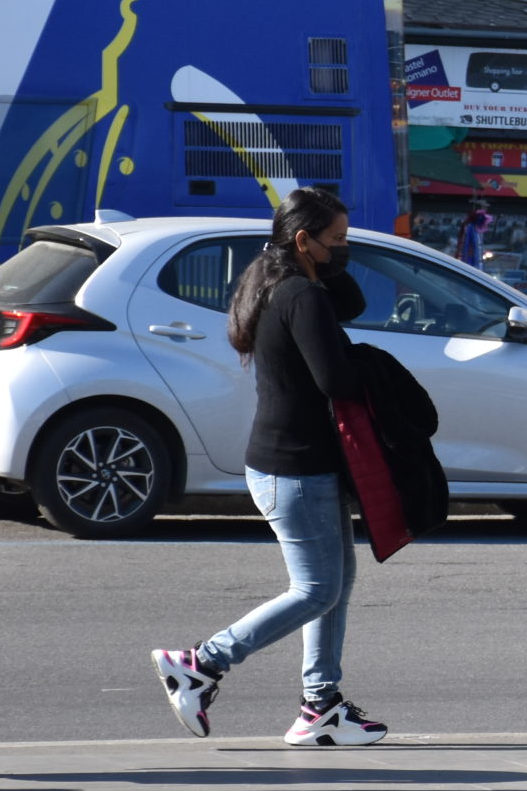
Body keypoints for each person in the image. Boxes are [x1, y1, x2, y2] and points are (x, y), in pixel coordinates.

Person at [149, 188, 389, 746]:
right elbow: (336, 379)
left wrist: (329, 260)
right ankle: (201, 662)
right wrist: (377, 373)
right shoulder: (299, 294)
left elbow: (350, 306)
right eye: (336, 241)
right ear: (303, 241)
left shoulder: (287, 284)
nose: (344, 250)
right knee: (315, 590)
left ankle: (321, 707)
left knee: (335, 585)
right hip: (294, 470)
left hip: (302, 466)